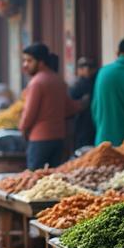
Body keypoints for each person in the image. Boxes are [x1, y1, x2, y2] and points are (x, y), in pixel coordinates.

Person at [19, 42, 80, 170]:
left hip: (39, 139)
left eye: (29, 61)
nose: (25, 65)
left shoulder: (36, 82)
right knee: (53, 178)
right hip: (58, 138)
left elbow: (29, 113)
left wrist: (22, 128)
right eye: (24, 61)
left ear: (41, 62)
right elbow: (69, 109)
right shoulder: (58, 80)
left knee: (34, 179)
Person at [70, 57, 97, 150]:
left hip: (90, 123)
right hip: (82, 122)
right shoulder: (78, 84)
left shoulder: (95, 82)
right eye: (83, 67)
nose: (87, 70)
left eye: (89, 67)